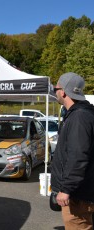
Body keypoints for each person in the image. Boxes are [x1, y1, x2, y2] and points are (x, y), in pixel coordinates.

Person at [51, 72, 94, 229]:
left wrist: (67, 189)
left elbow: (77, 156)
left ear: (63, 91)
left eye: (56, 88)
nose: (55, 92)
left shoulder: (79, 117)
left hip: (78, 195)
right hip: (82, 191)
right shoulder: (83, 114)